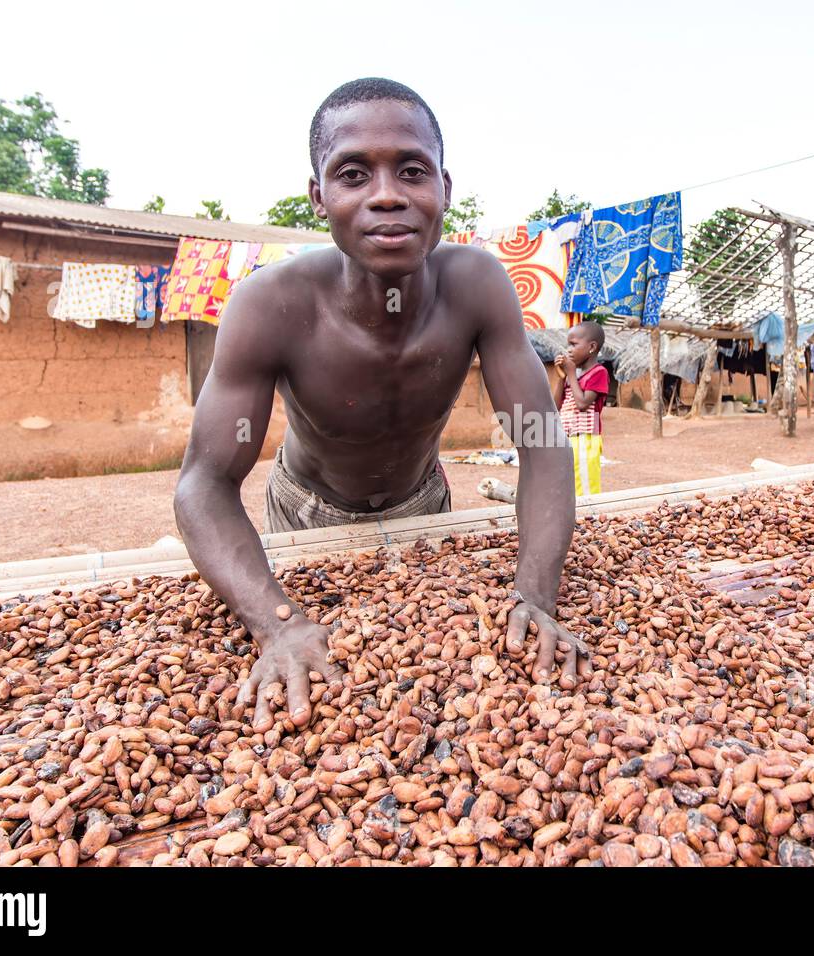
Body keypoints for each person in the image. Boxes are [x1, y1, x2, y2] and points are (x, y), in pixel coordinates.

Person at [173, 78, 590, 733]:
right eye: (353, 174)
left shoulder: (478, 287)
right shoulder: (269, 306)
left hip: (423, 503)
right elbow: (203, 483)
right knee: (326, 716)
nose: (387, 194)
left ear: (444, 190)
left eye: (412, 170)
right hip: (306, 510)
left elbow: (541, 443)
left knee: (429, 704)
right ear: (319, 197)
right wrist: (273, 622)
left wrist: (535, 596)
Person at [553, 322, 609, 496]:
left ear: (592, 347)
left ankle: (588, 521)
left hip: (585, 439)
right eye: (568, 344)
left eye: (574, 344)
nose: (568, 349)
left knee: (585, 489)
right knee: (569, 486)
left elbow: (583, 404)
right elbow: (555, 407)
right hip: (568, 438)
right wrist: (562, 378)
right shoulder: (573, 377)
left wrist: (570, 373)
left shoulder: (599, 372)